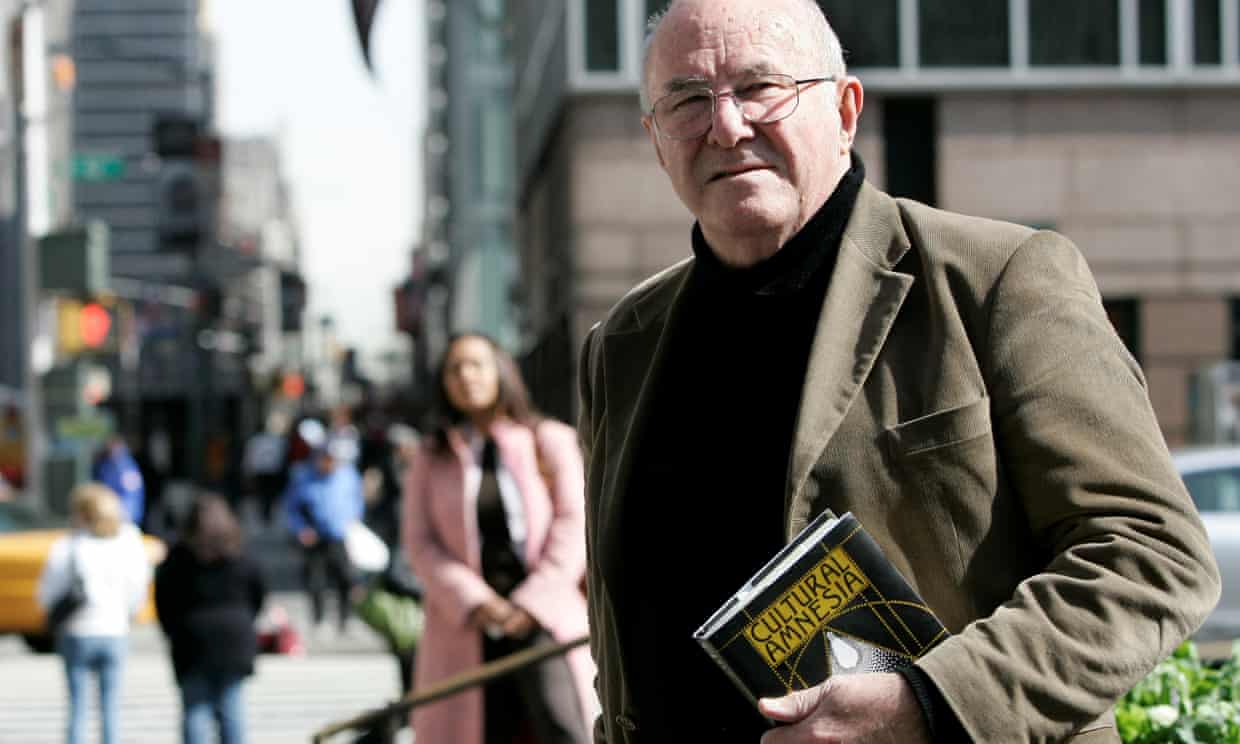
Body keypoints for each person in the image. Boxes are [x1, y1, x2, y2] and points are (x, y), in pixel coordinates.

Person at [575, 1, 1222, 742]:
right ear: (656, 139)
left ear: (846, 110)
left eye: (761, 88)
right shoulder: (622, 343)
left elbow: (1152, 555)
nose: (727, 126)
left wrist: (933, 702)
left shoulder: (997, 280)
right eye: (688, 99)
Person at [402, 333, 595, 744]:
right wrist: (477, 602)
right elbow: (420, 543)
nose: (465, 376)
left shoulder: (549, 440)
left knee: (562, 725)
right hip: (465, 622)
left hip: (544, 616)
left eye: (476, 364)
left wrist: (532, 603)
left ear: (501, 372)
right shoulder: (429, 455)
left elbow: (574, 524)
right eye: (454, 368)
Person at [37, 482, 152, 744]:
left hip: (78, 630)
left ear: (82, 513)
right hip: (115, 629)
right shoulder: (129, 540)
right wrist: (128, 613)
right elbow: (138, 587)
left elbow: (46, 592)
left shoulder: (70, 545)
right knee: (111, 708)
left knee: (77, 708)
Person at [155, 494, 267, 744]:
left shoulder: (179, 557)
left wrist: (170, 629)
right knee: (232, 707)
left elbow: (163, 598)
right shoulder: (240, 554)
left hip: (191, 636)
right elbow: (258, 592)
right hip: (234, 636)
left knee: (195, 709)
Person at [284, 431, 365, 636]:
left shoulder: (348, 475)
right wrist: (300, 528)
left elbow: (357, 501)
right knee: (315, 580)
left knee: (345, 578)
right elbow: (291, 508)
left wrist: (355, 519)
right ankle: (319, 619)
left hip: (340, 535)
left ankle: (345, 617)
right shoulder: (303, 477)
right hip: (314, 535)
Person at [241, 411, 290, 527]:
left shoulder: (260, 440)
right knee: (266, 494)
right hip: (268, 471)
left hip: (266, 471)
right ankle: (266, 514)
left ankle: (266, 513)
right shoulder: (274, 440)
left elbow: (250, 458)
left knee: (266, 494)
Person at [91, 435, 145, 526]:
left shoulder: (125, 466)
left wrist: (125, 516)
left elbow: (132, 496)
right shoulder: (107, 464)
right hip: (111, 516)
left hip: (123, 518)